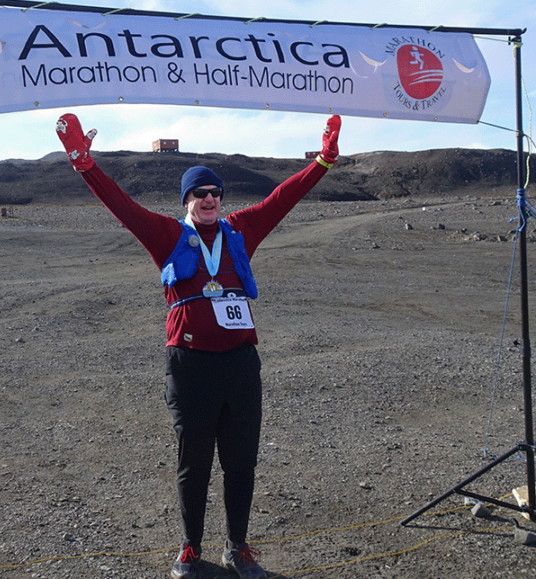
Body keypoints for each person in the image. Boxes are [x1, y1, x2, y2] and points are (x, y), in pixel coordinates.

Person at [55, 112, 342, 579]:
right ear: (186, 201)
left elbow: (281, 199)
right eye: (198, 194)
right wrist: (85, 165)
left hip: (241, 366)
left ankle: (238, 547)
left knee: (241, 462)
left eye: (214, 194)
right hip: (189, 367)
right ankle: (189, 548)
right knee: (194, 464)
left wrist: (324, 161)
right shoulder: (168, 236)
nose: (208, 200)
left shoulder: (241, 231)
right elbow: (124, 207)